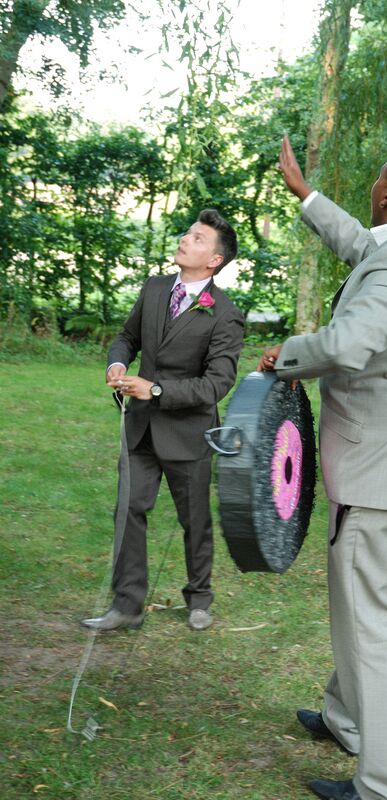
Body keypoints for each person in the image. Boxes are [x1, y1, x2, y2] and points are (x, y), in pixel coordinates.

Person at [258, 136, 387, 800]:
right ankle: (347, 719)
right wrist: (307, 197)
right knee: (373, 601)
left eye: (377, 179)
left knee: (371, 622)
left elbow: (349, 344)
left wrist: (288, 356)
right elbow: (365, 250)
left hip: (385, 471)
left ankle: (384, 785)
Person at [82, 209, 244, 633]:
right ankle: (127, 606)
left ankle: (199, 597)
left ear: (214, 260)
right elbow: (127, 337)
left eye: (197, 238)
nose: (185, 239)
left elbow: (217, 383)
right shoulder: (154, 288)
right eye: (188, 233)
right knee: (128, 511)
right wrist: (117, 364)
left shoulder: (224, 313)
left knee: (194, 520)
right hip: (140, 428)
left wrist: (155, 390)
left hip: (188, 434)